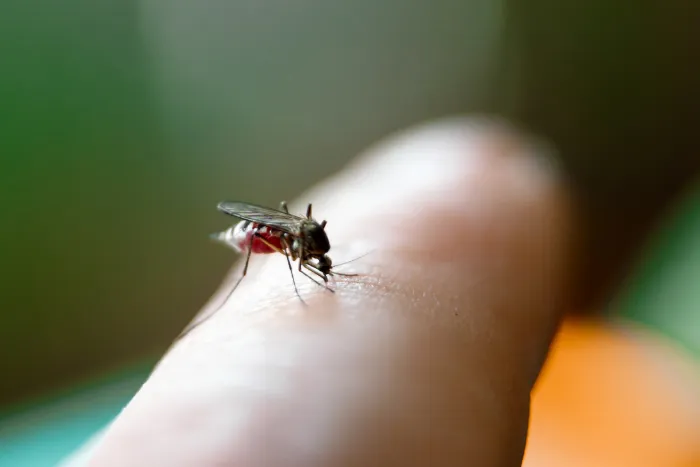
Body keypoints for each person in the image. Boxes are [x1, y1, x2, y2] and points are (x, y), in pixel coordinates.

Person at [61, 118, 576, 466]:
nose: (320, 268)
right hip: (256, 232)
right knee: (275, 241)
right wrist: (295, 267)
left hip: (285, 231)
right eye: (321, 264)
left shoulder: (315, 242)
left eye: (320, 264)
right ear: (317, 248)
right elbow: (293, 242)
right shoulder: (298, 239)